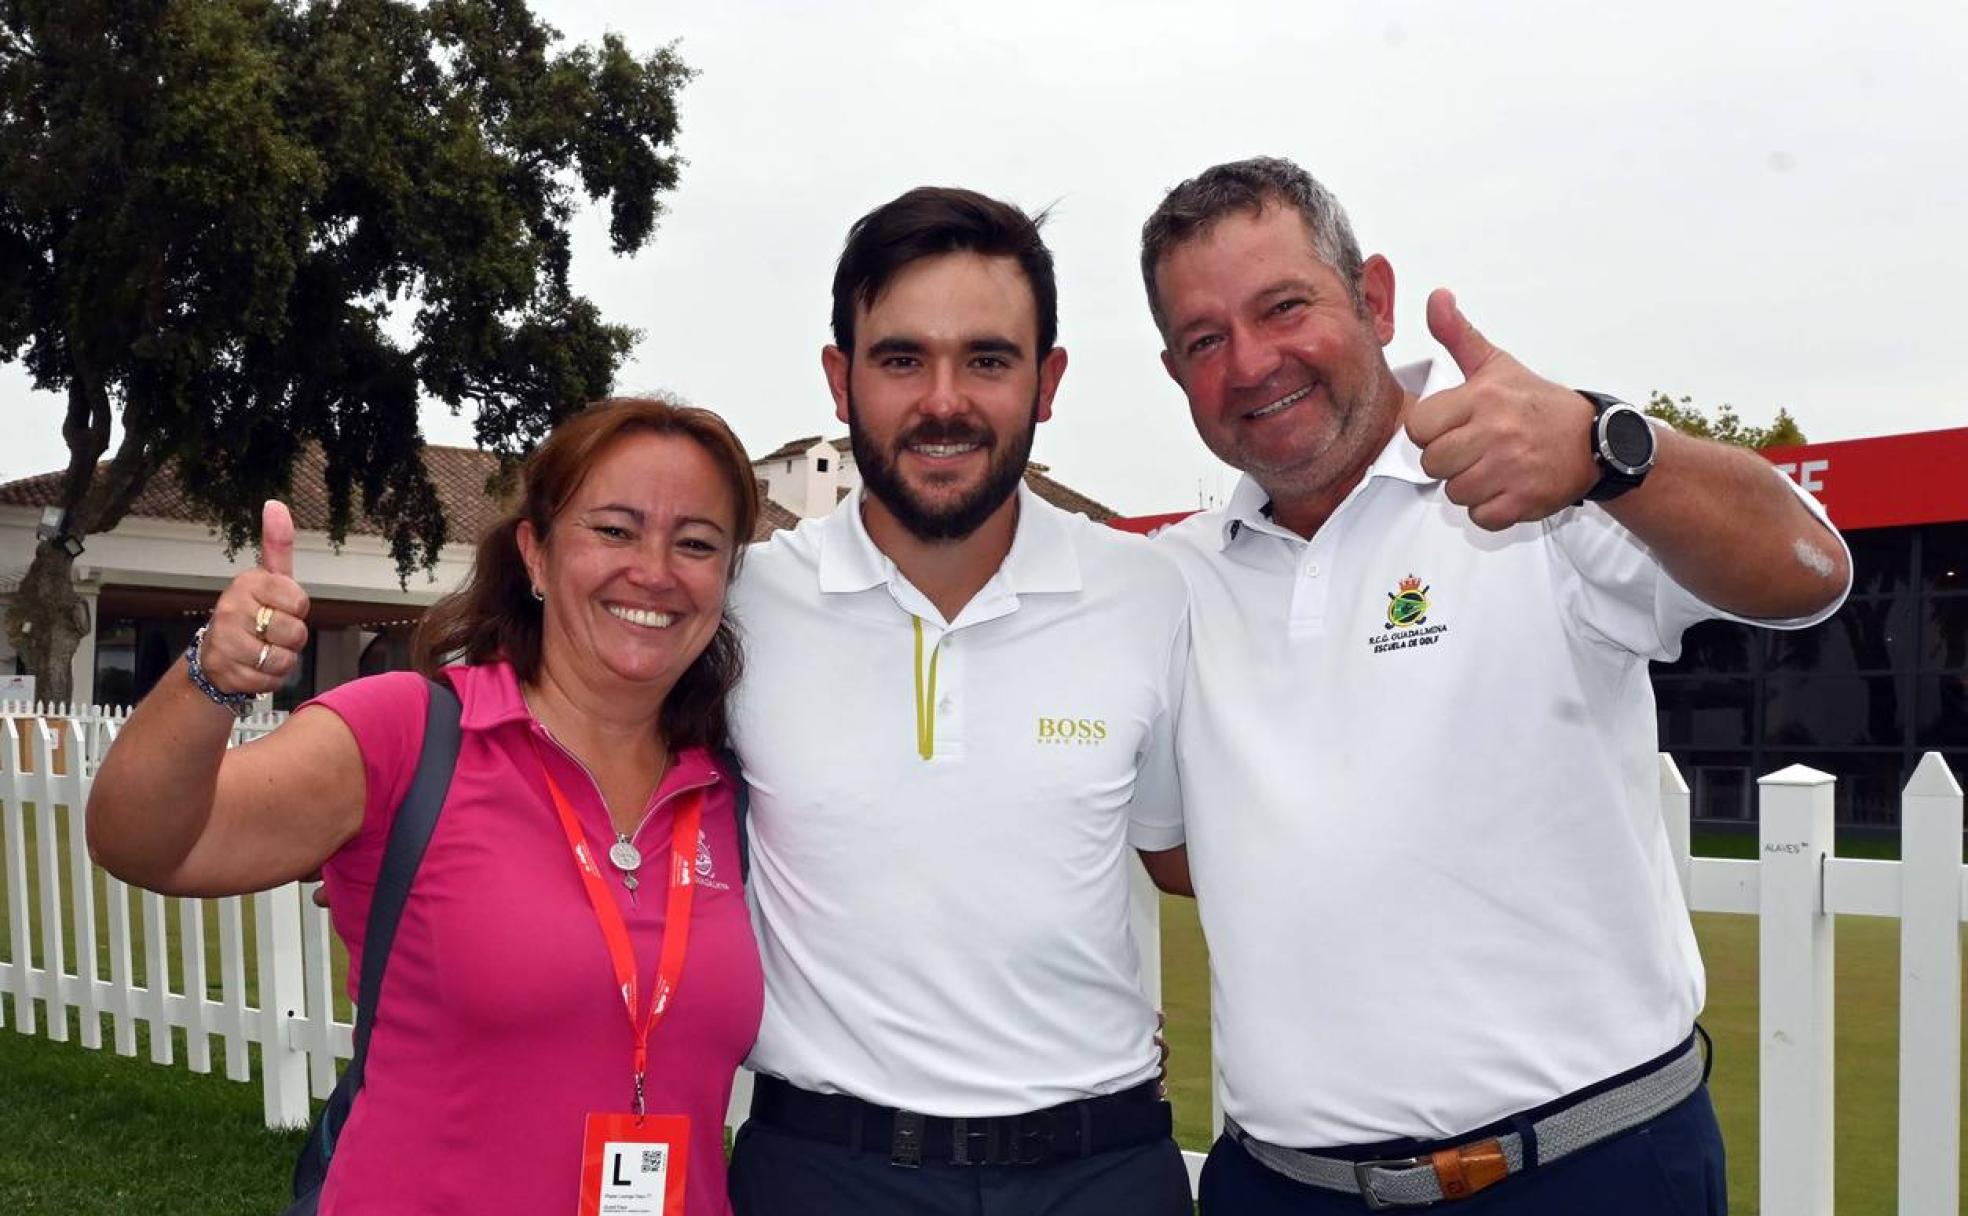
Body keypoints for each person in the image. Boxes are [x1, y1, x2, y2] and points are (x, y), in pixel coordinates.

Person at [1136, 157, 1851, 1214]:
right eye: (1205, 339)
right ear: (1174, 371)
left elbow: (1808, 572)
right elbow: (1179, 850)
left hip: (1588, 1172)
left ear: (1374, 299)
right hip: (1282, 1188)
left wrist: (1610, 451)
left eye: (1284, 307)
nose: (1250, 363)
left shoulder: (1544, 477)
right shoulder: (1172, 581)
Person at [86, 398, 766, 1216]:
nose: (654, 570)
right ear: (537, 557)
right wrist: (213, 676)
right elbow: (143, 842)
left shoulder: (731, 792)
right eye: (614, 530)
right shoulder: (410, 735)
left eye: (695, 544)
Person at [722, 187, 1195, 1215]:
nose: (944, 400)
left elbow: (1193, 854)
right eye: (901, 359)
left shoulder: (1148, 593)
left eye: (987, 358)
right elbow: (556, 691)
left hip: (1101, 1171)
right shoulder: (743, 605)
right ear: (839, 378)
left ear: (1048, 379)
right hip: (822, 1169)